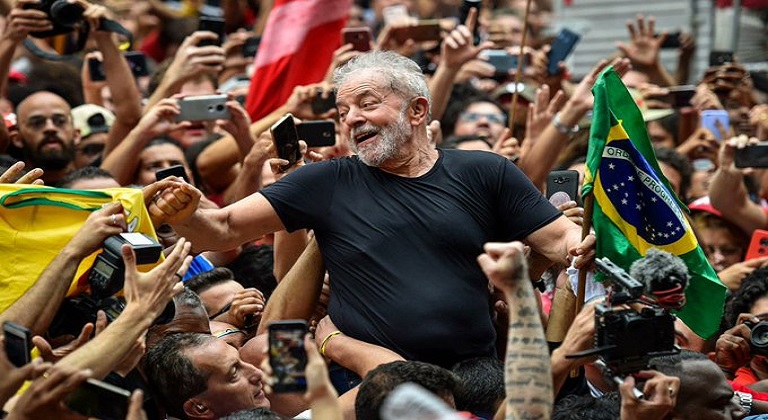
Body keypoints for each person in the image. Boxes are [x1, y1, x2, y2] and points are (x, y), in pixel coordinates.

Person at [154, 50, 593, 369]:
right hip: (363, 382)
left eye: (367, 104)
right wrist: (182, 211)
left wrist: (589, 241)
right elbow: (220, 229)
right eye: (343, 111)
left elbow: (563, 240)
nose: (350, 119)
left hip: (475, 372)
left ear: (417, 110)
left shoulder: (486, 171)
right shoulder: (324, 182)